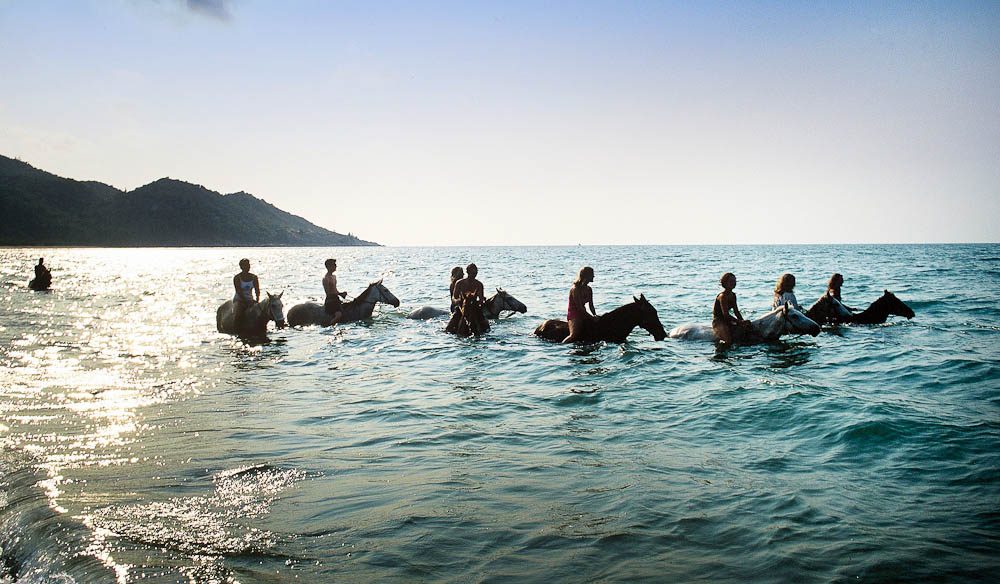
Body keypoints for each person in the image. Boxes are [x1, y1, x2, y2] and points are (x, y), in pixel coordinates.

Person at [712, 272, 750, 344]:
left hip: (727, 320)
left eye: (735, 281)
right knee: (728, 341)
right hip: (719, 321)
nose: (734, 283)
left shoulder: (733, 295)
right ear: (725, 283)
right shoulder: (722, 296)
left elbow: (736, 312)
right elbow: (725, 314)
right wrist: (739, 322)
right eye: (731, 281)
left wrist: (743, 322)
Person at [563, 266, 597, 343]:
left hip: (583, 312)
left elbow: (591, 305)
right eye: (592, 274)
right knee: (574, 335)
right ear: (586, 276)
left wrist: (595, 315)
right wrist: (591, 317)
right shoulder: (575, 289)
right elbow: (579, 308)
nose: (593, 276)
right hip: (574, 314)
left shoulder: (589, 289)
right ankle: (562, 346)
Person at [232, 258, 260, 330]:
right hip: (239, 300)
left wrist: (257, 300)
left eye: (248, 265)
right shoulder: (237, 278)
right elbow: (239, 291)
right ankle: (236, 329)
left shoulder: (254, 277)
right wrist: (246, 301)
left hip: (250, 299)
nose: (248, 267)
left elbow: (257, 290)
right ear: (241, 267)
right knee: (238, 314)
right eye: (245, 265)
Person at [323, 258, 348, 324]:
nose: (336, 266)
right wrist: (338, 294)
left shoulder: (334, 277)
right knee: (338, 315)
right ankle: (330, 324)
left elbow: (335, 290)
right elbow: (328, 293)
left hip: (336, 299)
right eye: (334, 265)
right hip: (330, 301)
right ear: (329, 267)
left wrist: (341, 294)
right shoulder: (326, 278)